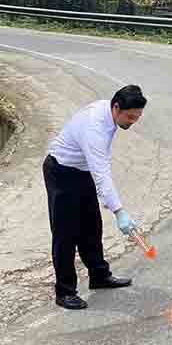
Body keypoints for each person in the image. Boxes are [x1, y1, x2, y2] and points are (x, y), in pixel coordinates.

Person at [43, 85, 146, 310]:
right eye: (130, 117)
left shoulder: (108, 111)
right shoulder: (95, 128)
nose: (132, 121)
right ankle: (65, 291)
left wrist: (114, 206)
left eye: (137, 117)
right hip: (61, 171)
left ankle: (99, 276)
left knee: (91, 227)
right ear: (116, 107)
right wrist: (119, 212)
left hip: (81, 171)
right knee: (65, 234)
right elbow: (102, 173)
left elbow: (100, 166)